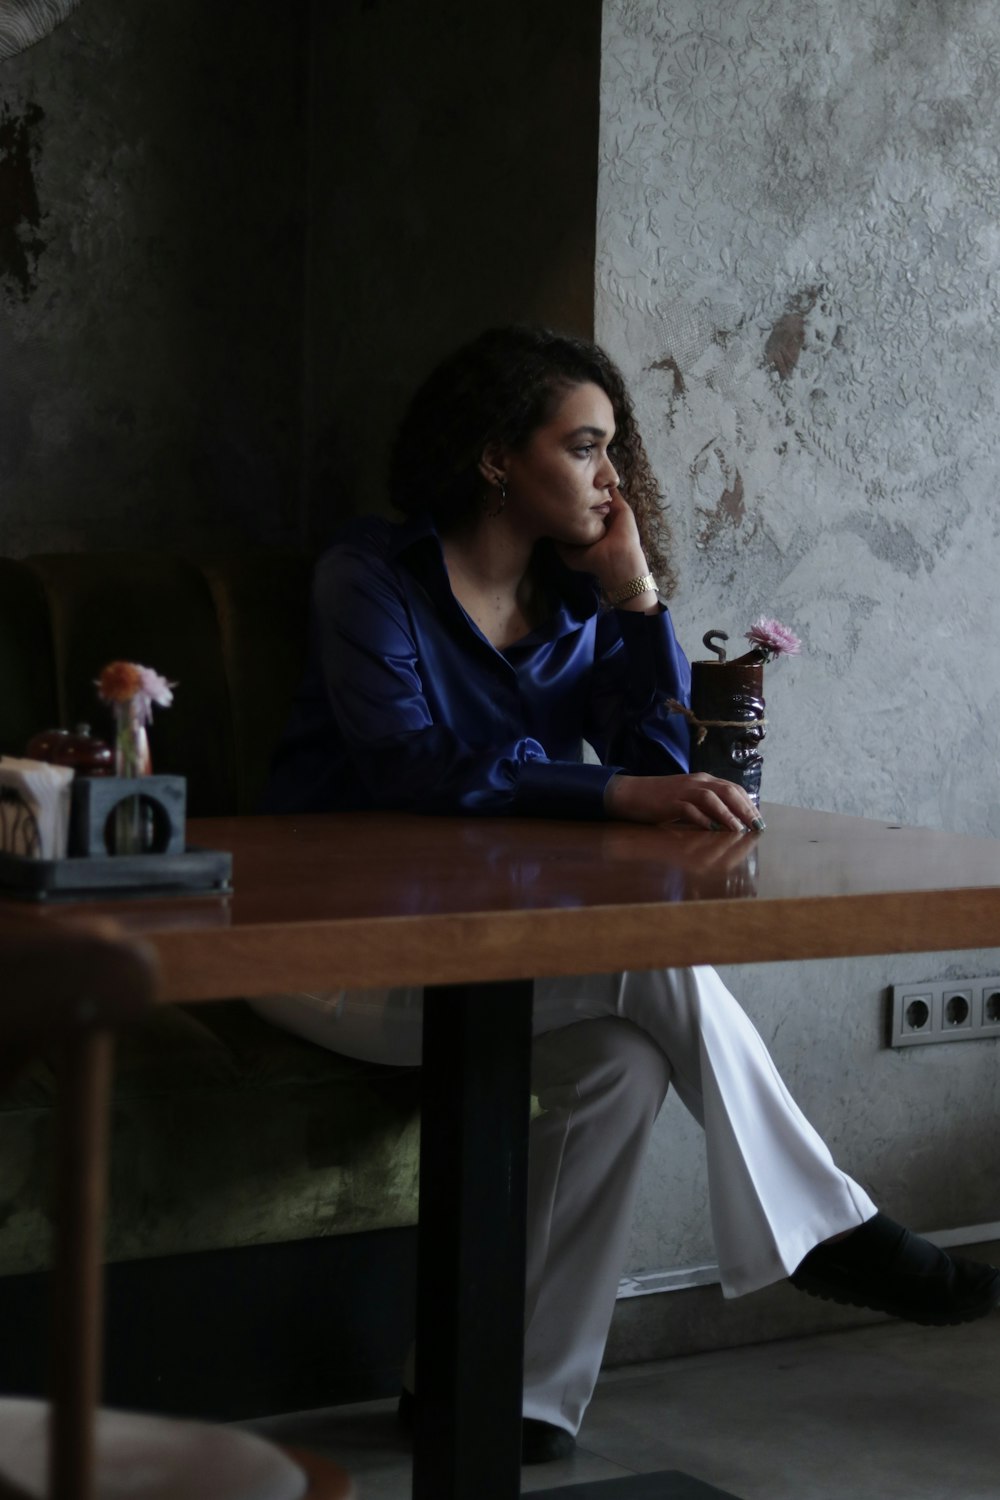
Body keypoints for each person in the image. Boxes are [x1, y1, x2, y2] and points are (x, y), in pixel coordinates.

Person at [258, 326, 1000, 1463]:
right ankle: (830, 1226)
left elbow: (662, 768)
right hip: (329, 953)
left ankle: (508, 1396)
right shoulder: (372, 576)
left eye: (613, 450)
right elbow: (411, 764)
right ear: (497, 458)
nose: (611, 477)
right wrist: (612, 798)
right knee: (647, 960)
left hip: (495, 955)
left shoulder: (578, 607)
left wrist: (640, 597)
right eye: (585, 447)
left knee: (625, 1061)